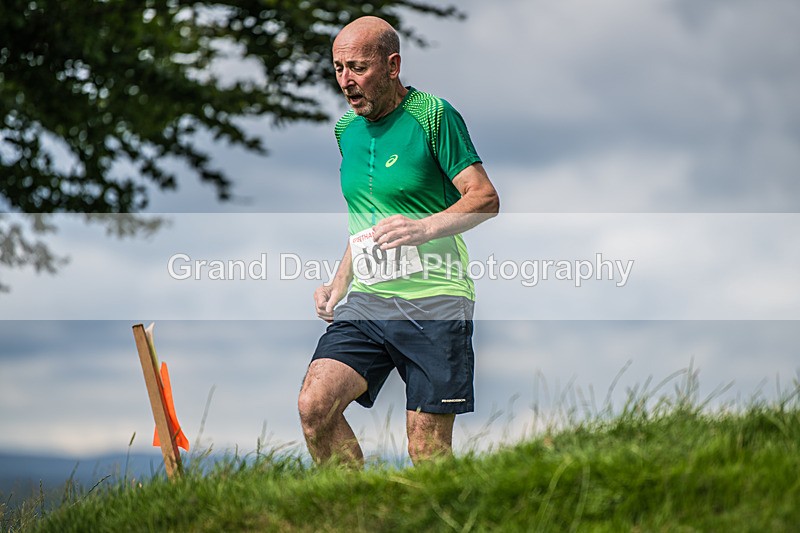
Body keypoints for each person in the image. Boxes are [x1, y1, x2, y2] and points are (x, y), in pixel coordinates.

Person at [297, 15, 499, 467]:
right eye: (338, 68)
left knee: (426, 450)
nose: (346, 81)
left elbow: (484, 198)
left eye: (358, 68)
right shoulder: (345, 131)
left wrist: (424, 228)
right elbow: (365, 223)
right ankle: (352, 511)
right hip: (368, 302)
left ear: (393, 65)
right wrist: (338, 284)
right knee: (315, 407)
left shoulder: (433, 115)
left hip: (436, 300)